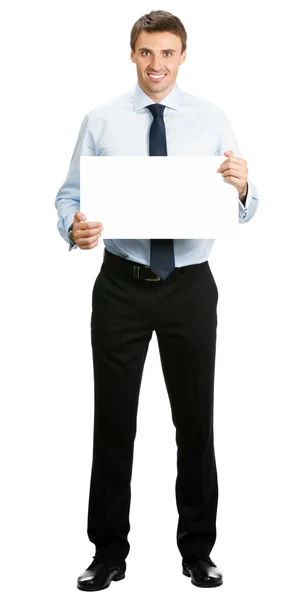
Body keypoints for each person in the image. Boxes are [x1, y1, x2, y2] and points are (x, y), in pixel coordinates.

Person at [55, 9, 259, 592]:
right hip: (121, 285)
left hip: (191, 286)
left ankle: (198, 550)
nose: (157, 65)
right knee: (113, 423)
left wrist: (244, 186)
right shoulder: (101, 119)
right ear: (132, 54)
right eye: (147, 53)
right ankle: (107, 553)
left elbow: (244, 202)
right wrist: (75, 227)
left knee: (195, 423)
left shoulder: (212, 118)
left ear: (183, 56)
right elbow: (68, 195)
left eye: (167, 53)